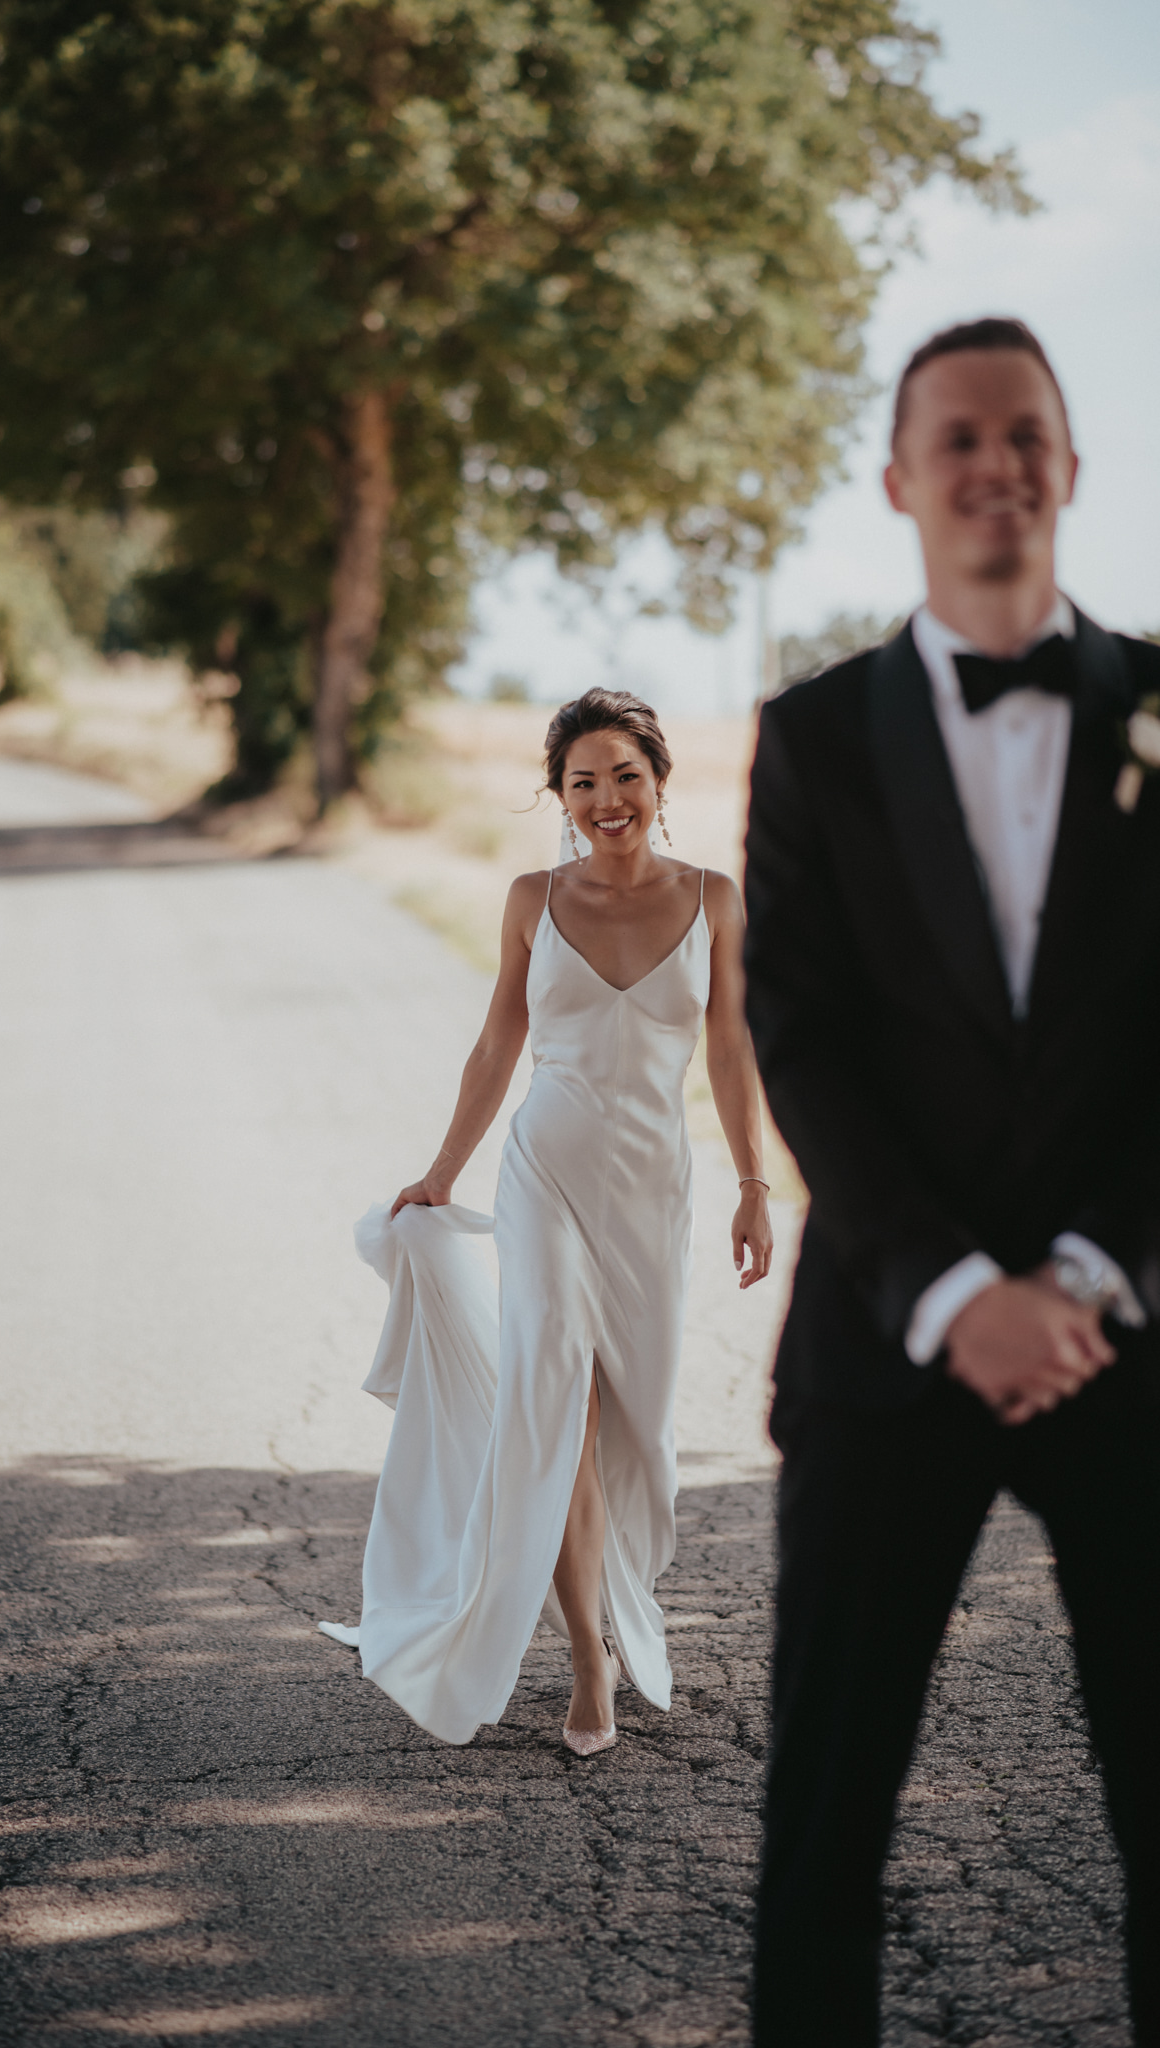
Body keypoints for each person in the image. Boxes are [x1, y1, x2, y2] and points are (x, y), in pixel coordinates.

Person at [744, 317, 1160, 2045]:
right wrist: (949, 1289)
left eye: (1025, 433)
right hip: (882, 1341)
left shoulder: (1158, 705)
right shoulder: (814, 734)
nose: (995, 465)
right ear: (899, 480)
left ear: (1070, 462)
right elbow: (800, 1033)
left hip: (1126, 1341)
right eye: (958, 439)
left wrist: (1078, 1269)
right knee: (822, 1829)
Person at [324, 688, 773, 1753]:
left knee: (638, 1434)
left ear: (658, 781)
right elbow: (496, 1046)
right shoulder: (531, 895)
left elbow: (729, 1049)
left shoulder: (713, 898)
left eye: (623, 775)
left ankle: (613, 1607)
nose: (605, 798)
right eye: (582, 781)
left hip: (653, 1190)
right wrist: (440, 1173)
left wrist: (755, 1182)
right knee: (555, 1409)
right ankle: (586, 1656)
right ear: (556, 795)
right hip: (545, 1180)